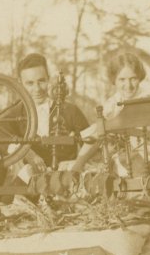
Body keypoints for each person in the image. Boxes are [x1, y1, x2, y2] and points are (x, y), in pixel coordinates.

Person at [7, 53, 90, 184]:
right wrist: (28, 153)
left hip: (64, 182)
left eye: (41, 81)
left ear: (49, 79)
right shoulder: (13, 114)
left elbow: (91, 143)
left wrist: (77, 163)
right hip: (28, 183)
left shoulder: (70, 111)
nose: (37, 89)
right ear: (20, 83)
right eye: (29, 83)